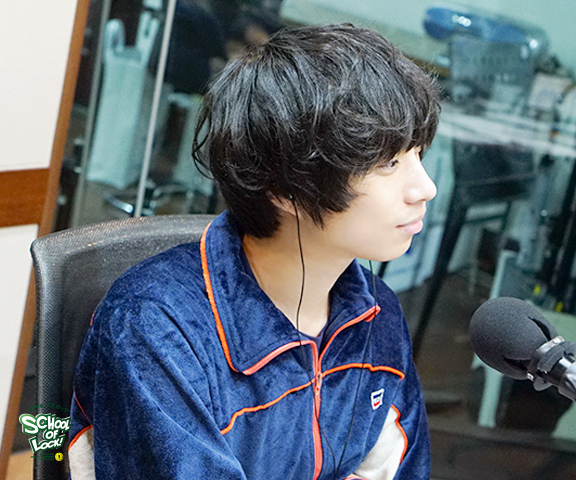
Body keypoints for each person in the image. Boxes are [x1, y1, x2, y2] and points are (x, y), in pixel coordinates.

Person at [68, 24, 440, 479]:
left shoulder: (377, 316)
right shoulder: (157, 326)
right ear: (285, 188)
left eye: (418, 154)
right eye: (389, 162)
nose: (425, 187)